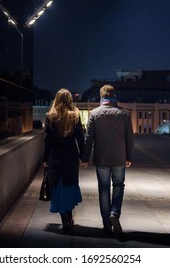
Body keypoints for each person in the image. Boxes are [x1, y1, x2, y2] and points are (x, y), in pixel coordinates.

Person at [82, 84, 134, 236]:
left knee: (103, 190)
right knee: (119, 186)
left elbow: (88, 138)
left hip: (102, 159)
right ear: (114, 96)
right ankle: (114, 213)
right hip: (119, 157)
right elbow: (129, 138)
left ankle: (106, 225)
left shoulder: (94, 113)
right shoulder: (124, 114)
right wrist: (129, 156)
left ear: (101, 96)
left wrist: (84, 158)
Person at [42, 88, 84, 233]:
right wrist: (83, 156)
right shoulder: (75, 115)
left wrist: (45, 158)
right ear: (70, 100)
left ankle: (64, 219)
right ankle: (70, 216)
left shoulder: (50, 117)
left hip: (56, 156)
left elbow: (47, 140)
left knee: (58, 187)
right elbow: (80, 138)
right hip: (71, 156)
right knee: (69, 185)